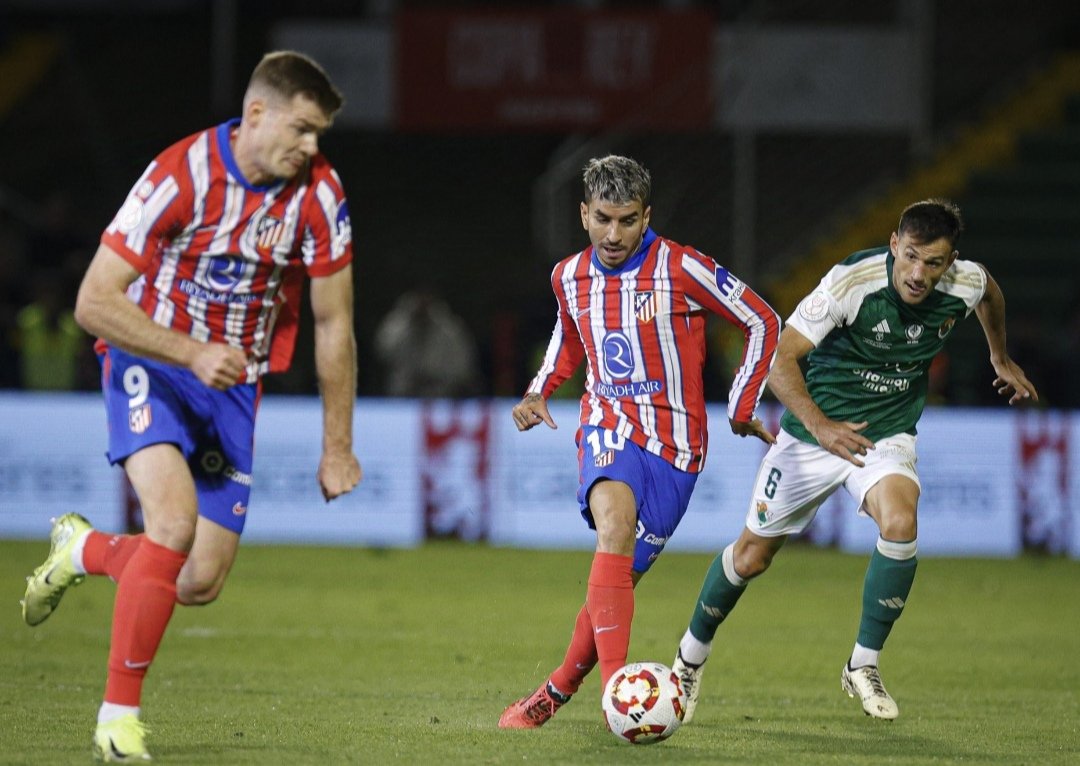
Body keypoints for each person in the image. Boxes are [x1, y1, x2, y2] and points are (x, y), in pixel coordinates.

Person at [20, 51, 362, 761]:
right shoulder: (181, 175)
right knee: (170, 525)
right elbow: (93, 301)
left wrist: (337, 445)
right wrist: (189, 351)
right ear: (258, 113)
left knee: (198, 581)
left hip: (234, 383)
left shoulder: (321, 195)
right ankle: (117, 720)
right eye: (302, 129)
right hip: (151, 360)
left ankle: (84, 548)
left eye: (320, 134)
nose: (311, 148)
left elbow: (334, 324)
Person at [670, 199, 1038, 723]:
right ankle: (690, 656)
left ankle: (862, 664)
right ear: (894, 243)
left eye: (933, 263)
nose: (918, 274)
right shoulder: (852, 281)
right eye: (910, 256)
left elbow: (990, 293)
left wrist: (1000, 356)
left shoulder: (965, 280)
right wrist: (820, 426)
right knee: (751, 556)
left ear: (950, 261)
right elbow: (780, 358)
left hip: (883, 435)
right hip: (811, 433)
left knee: (901, 519)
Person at [498, 155, 781, 729]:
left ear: (646, 215)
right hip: (608, 423)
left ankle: (558, 687)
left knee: (617, 576)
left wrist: (745, 400)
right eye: (602, 218)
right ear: (583, 213)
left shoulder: (681, 267)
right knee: (614, 526)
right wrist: (538, 391)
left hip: (678, 447)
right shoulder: (568, 276)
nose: (614, 234)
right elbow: (569, 337)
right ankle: (618, 696)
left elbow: (762, 320)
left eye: (628, 220)